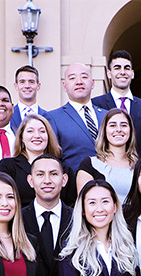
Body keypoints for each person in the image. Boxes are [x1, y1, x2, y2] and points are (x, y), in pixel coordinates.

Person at [46, 63, 107, 191]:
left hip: (109, 186)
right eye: (72, 78)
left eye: (84, 77)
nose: (79, 82)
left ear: (93, 83)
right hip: (73, 189)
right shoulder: (53, 118)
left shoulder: (107, 116)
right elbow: (52, 158)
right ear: (64, 86)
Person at [93, 50, 141, 155]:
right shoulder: (95, 104)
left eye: (127, 68)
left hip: (138, 164)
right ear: (109, 73)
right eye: (117, 68)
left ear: (132, 74)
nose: (122, 72)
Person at [0, 112, 63, 204]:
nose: (37, 136)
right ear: (21, 138)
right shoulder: (7, 166)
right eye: (30, 131)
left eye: (42, 131)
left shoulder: (62, 168)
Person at [76, 108, 138, 201]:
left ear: (130, 130)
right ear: (104, 131)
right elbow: (85, 203)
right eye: (112, 125)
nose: (118, 129)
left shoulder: (140, 166)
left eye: (124, 125)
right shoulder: (89, 165)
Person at [10, 65, 48, 132]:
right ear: (16, 86)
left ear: (38, 86)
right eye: (22, 82)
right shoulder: (8, 116)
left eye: (31, 82)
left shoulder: (48, 117)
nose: (27, 86)